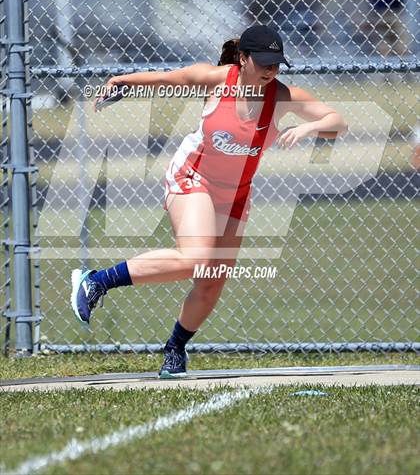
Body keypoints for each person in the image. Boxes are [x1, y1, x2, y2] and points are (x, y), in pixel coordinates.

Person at [71, 24, 348, 378]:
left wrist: (310, 128)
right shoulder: (216, 80)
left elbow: (337, 121)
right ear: (244, 59)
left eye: (276, 63)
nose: (271, 70)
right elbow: (165, 80)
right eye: (263, 62)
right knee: (195, 259)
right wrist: (120, 82)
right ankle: (96, 281)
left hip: (235, 195)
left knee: (212, 278)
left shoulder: (280, 96)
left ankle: (174, 349)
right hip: (193, 177)